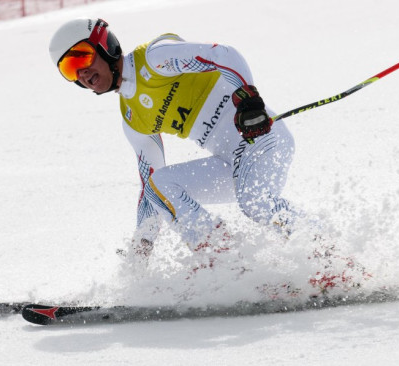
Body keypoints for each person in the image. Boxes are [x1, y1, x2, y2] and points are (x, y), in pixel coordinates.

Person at [48, 18, 366, 294]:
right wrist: (141, 248)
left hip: (260, 137)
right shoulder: (133, 119)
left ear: (105, 45)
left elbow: (223, 55)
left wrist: (248, 100)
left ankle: (333, 258)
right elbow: (151, 190)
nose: (82, 72)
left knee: (255, 202)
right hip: (230, 163)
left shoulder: (154, 59)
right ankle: (227, 260)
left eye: (82, 56)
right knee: (159, 185)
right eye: (69, 68)